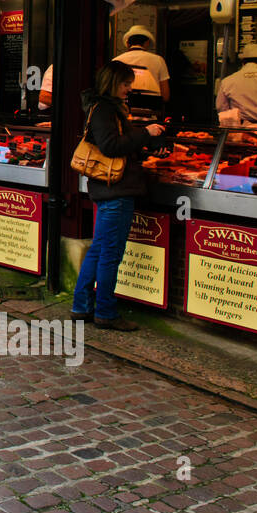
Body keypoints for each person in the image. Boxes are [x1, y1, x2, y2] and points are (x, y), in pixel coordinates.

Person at [71, 61, 166, 332]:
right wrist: (145, 133)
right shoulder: (104, 110)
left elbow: (119, 146)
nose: (129, 89)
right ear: (113, 83)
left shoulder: (102, 108)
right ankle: (106, 312)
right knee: (110, 253)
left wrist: (145, 148)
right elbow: (111, 146)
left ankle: (81, 306)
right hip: (116, 190)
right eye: (125, 84)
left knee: (99, 249)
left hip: (109, 189)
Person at [113, 25, 170, 104]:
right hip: (151, 109)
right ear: (147, 43)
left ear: (127, 43)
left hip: (122, 109)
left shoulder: (116, 60)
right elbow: (165, 96)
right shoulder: (158, 60)